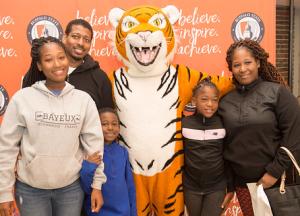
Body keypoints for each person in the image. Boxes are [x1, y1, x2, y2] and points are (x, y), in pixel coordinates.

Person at [0, 36, 106, 216]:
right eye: (49, 60)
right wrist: (3, 193)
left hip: (70, 189)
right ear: (39, 66)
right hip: (30, 190)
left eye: (61, 57)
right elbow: (6, 148)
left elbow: (94, 146)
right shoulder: (22, 99)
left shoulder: (83, 100)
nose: (57, 64)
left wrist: (97, 185)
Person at [219, 39, 300, 216]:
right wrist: (231, 184)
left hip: (279, 182)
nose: (242, 69)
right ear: (231, 68)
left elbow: (294, 136)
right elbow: (225, 145)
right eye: (236, 64)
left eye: (247, 62)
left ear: (258, 62)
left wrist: (273, 173)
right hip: (244, 186)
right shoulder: (225, 101)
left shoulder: (278, 93)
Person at [23, 19, 114, 110]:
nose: (81, 43)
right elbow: (25, 103)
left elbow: (107, 116)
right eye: (75, 37)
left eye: (86, 40)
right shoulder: (45, 69)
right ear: (65, 38)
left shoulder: (100, 77)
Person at [181, 78, 233, 216]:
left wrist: (231, 186)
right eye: (204, 99)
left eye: (215, 100)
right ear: (194, 101)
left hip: (216, 187)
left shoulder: (223, 123)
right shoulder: (184, 123)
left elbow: (229, 155)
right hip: (190, 187)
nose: (210, 104)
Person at [80, 107, 137, 216]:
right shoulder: (91, 152)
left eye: (114, 124)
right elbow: (86, 187)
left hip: (123, 212)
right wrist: (89, 165)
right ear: (95, 127)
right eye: (104, 124)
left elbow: (130, 186)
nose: (110, 128)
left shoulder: (123, 152)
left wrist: (133, 212)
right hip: (98, 212)